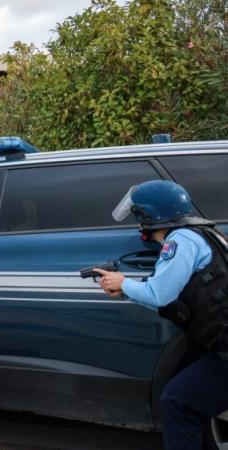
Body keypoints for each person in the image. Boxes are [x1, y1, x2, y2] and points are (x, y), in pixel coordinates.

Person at [95, 180, 228, 450]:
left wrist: (122, 283)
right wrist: (126, 291)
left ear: (147, 215)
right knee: (190, 401)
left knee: (178, 401)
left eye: (138, 215)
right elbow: (174, 301)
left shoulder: (179, 240)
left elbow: (160, 295)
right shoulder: (203, 232)